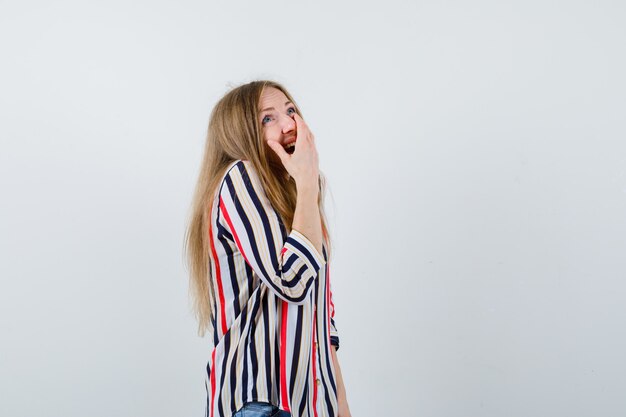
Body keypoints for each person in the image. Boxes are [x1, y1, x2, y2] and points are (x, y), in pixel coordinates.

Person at [184, 80, 351, 417]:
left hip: (311, 404)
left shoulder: (294, 193)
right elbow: (291, 280)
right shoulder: (239, 177)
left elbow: (322, 316)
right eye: (268, 119)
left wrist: (340, 407)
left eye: (291, 111)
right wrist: (306, 184)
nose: (289, 124)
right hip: (259, 401)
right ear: (239, 133)